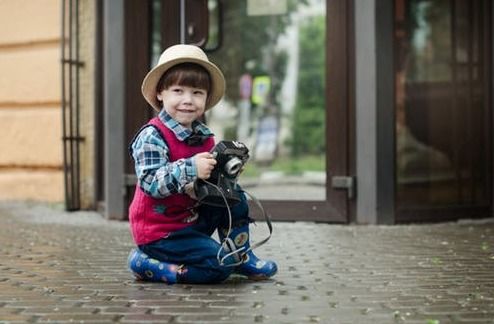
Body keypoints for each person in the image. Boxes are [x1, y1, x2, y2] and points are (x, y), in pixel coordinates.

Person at [127, 44, 277, 284]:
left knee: (234, 195)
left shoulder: (205, 136)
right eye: (178, 90)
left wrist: (225, 174)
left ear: (206, 99)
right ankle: (147, 263)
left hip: (192, 220)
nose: (188, 100)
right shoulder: (153, 136)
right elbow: (150, 183)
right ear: (160, 93)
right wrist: (191, 168)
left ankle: (240, 253)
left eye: (197, 93)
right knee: (218, 267)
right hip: (161, 232)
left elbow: (207, 185)